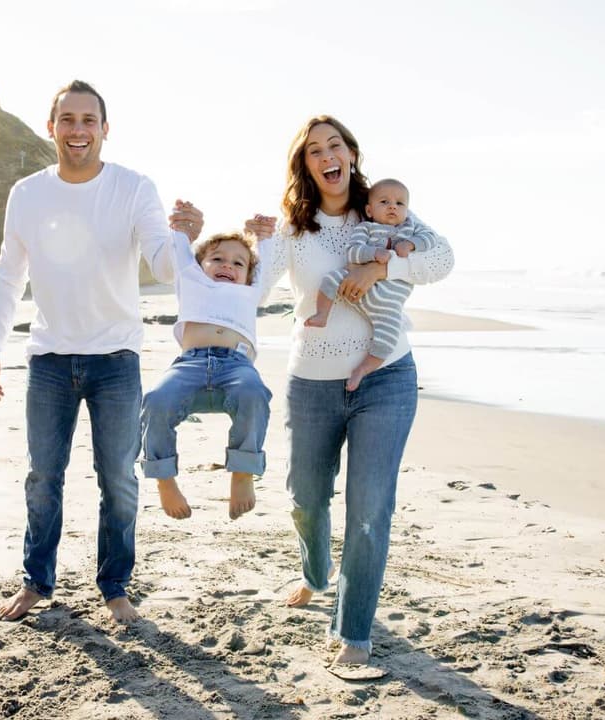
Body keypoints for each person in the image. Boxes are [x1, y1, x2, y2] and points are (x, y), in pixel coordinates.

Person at [0, 79, 203, 624]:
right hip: (50, 359)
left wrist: (185, 238)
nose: (78, 131)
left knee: (119, 479)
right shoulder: (27, 193)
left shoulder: (133, 188)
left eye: (88, 121)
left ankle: (115, 587)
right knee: (43, 477)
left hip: (116, 360)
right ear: (50, 127)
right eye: (68, 120)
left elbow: (163, 266)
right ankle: (37, 581)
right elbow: (10, 275)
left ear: (105, 129)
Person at [245, 116, 454, 674]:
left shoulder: (383, 208)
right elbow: (255, 287)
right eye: (314, 151)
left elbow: (441, 259)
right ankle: (316, 574)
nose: (327, 155)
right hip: (311, 383)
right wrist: (255, 243)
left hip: (385, 378)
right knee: (305, 498)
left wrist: (387, 261)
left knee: (370, 509)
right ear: (306, 165)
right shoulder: (294, 229)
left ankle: (354, 630)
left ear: (352, 154)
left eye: (334, 145)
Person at [140, 225, 271, 522]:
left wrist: (265, 237)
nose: (228, 265)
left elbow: (267, 262)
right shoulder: (191, 281)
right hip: (190, 364)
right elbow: (180, 249)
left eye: (238, 263)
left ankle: (243, 470)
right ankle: (164, 480)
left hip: (236, 365)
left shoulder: (251, 291)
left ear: (249, 275)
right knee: (156, 400)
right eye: (217, 259)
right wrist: (182, 229)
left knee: (254, 393)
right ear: (199, 267)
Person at [304, 178, 438, 390]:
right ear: (369, 210)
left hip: (388, 304)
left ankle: (363, 370)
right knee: (330, 279)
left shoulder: (411, 229)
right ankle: (322, 314)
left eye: (400, 203)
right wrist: (374, 253)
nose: (392, 206)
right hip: (353, 286)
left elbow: (432, 240)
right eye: (384, 202)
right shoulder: (365, 228)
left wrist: (412, 244)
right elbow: (353, 251)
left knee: (388, 338)